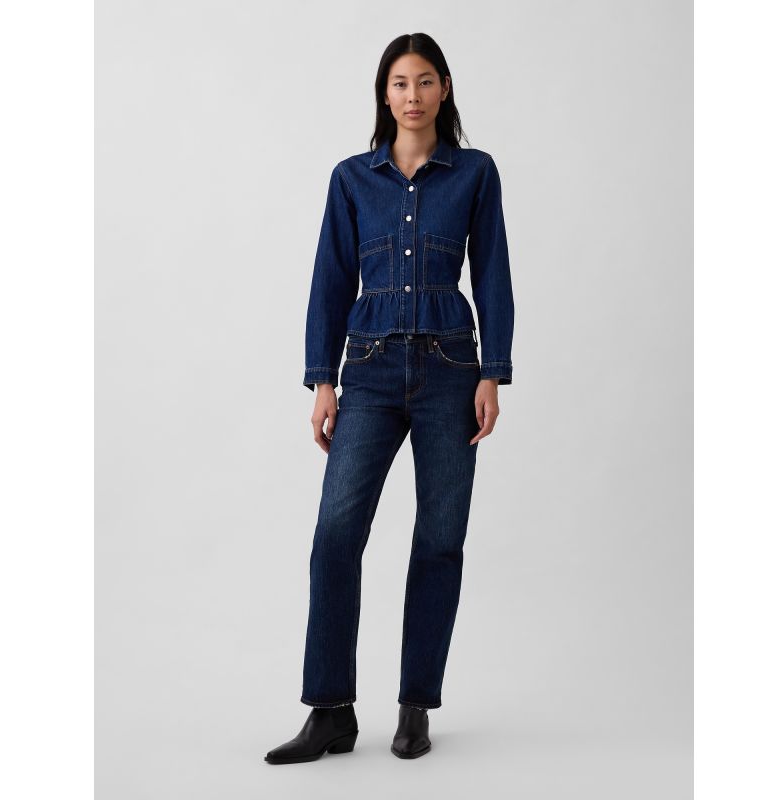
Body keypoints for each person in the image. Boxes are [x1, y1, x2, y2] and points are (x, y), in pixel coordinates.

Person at [265, 32, 514, 765]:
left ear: (444, 89)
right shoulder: (352, 179)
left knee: (439, 539)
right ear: (385, 93)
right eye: (400, 83)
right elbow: (330, 278)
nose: (413, 95)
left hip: (451, 370)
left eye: (425, 81)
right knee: (336, 535)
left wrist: (492, 372)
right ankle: (330, 712)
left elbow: (492, 271)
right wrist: (323, 379)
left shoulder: (474, 172)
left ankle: (415, 708)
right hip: (369, 371)